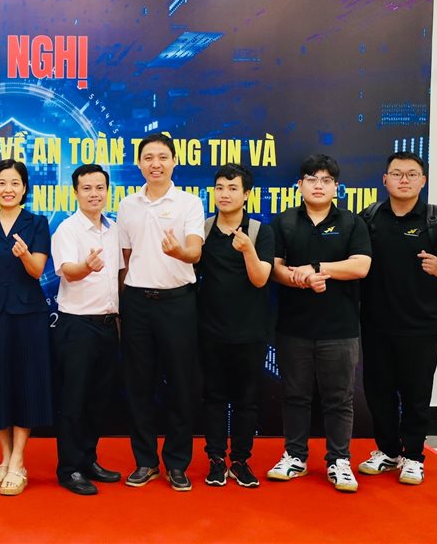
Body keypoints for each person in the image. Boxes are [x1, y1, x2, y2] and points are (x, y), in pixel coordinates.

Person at [267, 154, 371, 493]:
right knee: (295, 396)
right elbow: (275, 268)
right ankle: (294, 456)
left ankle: (339, 460)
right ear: (300, 185)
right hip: (293, 327)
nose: (318, 186)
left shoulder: (352, 222)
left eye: (326, 180)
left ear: (336, 187)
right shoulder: (284, 221)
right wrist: (300, 279)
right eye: (311, 179)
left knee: (338, 399)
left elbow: (361, 266)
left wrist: (317, 269)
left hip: (340, 329)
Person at [357, 151, 437, 486]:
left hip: (421, 325)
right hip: (375, 323)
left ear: (423, 180)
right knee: (379, 392)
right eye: (397, 173)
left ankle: (414, 456)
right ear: (385, 179)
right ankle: (388, 451)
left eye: (412, 174)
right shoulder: (369, 217)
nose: (404, 180)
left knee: (416, 394)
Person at [117, 132, 204, 492]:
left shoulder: (189, 203)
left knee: (181, 385)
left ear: (174, 162)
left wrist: (178, 252)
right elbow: (124, 259)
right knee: (139, 385)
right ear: (139, 164)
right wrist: (120, 304)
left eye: (162, 157)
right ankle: (146, 461)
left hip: (177, 303)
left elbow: (195, 252)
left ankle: (178, 463)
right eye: (148, 158)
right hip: (137, 302)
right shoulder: (127, 204)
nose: (156, 164)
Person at [0, 159, 53, 496]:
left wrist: (25, 254)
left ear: (24, 188)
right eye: (2, 183)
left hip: (28, 314)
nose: (8, 189)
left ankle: (18, 460)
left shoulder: (37, 223)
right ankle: (4, 458)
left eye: (15, 183)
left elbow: (37, 271)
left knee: (25, 384)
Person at [197, 164, 274, 488]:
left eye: (232, 188)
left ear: (246, 194)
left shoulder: (259, 231)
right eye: (219, 188)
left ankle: (240, 461)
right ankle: (216, 460)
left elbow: (260, 279)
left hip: (250, 332)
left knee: (246, 400)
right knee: (213, 398)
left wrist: (247, 250)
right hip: (210, 330)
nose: (224, 194)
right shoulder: (203, 229)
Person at [50, 164, 124, 495]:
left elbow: (119, 276)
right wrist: (86, 267)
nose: (94, 194)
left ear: (107, 191)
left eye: (99, 188)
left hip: (108, 325)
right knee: (74, 401)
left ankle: (88, 460)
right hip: (77, 326)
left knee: (98, 400)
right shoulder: (67, 229)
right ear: (76, 192)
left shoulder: (114, 229)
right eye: (87, 188)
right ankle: (69, 469)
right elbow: (68, 271)